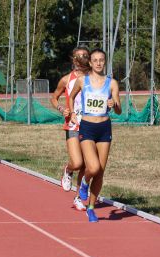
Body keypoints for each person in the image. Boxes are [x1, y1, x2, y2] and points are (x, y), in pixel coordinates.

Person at [69, 48, 121, 222]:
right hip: (87, 128)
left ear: (104, 62)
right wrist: (72, 113)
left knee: (100, 172)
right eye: (95, 60)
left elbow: (119, 110)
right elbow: (71, 96)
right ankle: (84, 182)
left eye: (101, 60)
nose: (98, 63)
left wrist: (114, 104)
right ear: (90, 63)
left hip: (104, 128)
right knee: (93, 167)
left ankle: (91, 207)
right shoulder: (83, 81)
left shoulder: (112, 83)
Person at [50, 47, 90, 211]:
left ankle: (78, 198)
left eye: (84, 56)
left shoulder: (94, 78)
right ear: (73, 59)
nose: (81, 59)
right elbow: (54, 98)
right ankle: (68, 169)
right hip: (73, 124)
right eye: (78, 57)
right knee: (77, 163)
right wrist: (61, 109)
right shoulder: (66, 80)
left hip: (90, 124)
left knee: (87, 165)